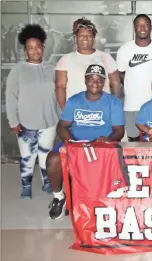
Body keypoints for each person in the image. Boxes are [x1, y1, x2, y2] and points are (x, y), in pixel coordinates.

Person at [46, 64, 125, 220]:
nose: (95, 83)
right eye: (91, 79)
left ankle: (108, 198)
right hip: (76, 142)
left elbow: (119, 131)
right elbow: (62, 127)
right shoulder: (75, 101)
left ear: (104, 83)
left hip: (101, 145)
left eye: (99, 80)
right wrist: (74, 142)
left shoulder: (113, 102)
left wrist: (107, 140)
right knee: (53, 159)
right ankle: (59, 197)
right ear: (85, 80)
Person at [5, 24, 60, 199]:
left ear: (43, 47)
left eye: (37, 47)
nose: (34, 51)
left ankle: (47, 182)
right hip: (25, 123)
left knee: (45, 154)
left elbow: (59, 94)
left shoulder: (52, 69)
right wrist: (13, 121)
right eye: (30, 48)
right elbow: (10, 97)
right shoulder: (17, 70)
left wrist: (59, 116)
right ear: (25, 50)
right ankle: (26, 186)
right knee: (27, 157)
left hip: (49, 121)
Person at [116, 14, 152, 141]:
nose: (142, 27)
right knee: (133, 141)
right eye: (139, 24)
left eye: (145, 24)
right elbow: (120, 73)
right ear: (134, 28)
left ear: (150, 27)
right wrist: (132, 84)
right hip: (131, 105)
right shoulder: (124, 50)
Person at [55, 17, 121, 110]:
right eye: (81, 35)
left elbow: (115, 83)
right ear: (76, 37)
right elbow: (60, 87)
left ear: (94, 38)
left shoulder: (106, 57)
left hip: (103, 110)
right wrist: (66, 111)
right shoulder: (65, 60)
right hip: (76, 111)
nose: (85, 38)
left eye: (89, 35)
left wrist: (114, 107)